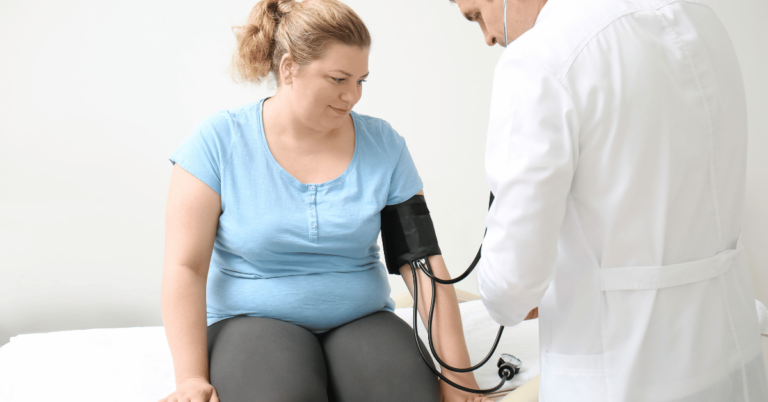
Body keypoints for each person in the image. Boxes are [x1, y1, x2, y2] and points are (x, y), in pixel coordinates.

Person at [158, 1, 492, 401]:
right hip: (253, 321)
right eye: (338, 79)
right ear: (289, 69)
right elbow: (186, 268)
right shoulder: (216, 143)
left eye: (361, 81)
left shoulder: (383, 145)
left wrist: (459, 377)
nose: (352, 96)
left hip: (361, 318)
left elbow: (421, 263)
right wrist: (190, 379)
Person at [447, 0, 768, 400]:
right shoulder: (697, 16)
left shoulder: (540, 59)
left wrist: (508, 295)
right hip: (730, 357)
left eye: (477, 14)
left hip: (626, 374)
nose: (488, 35)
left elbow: (512, 285)